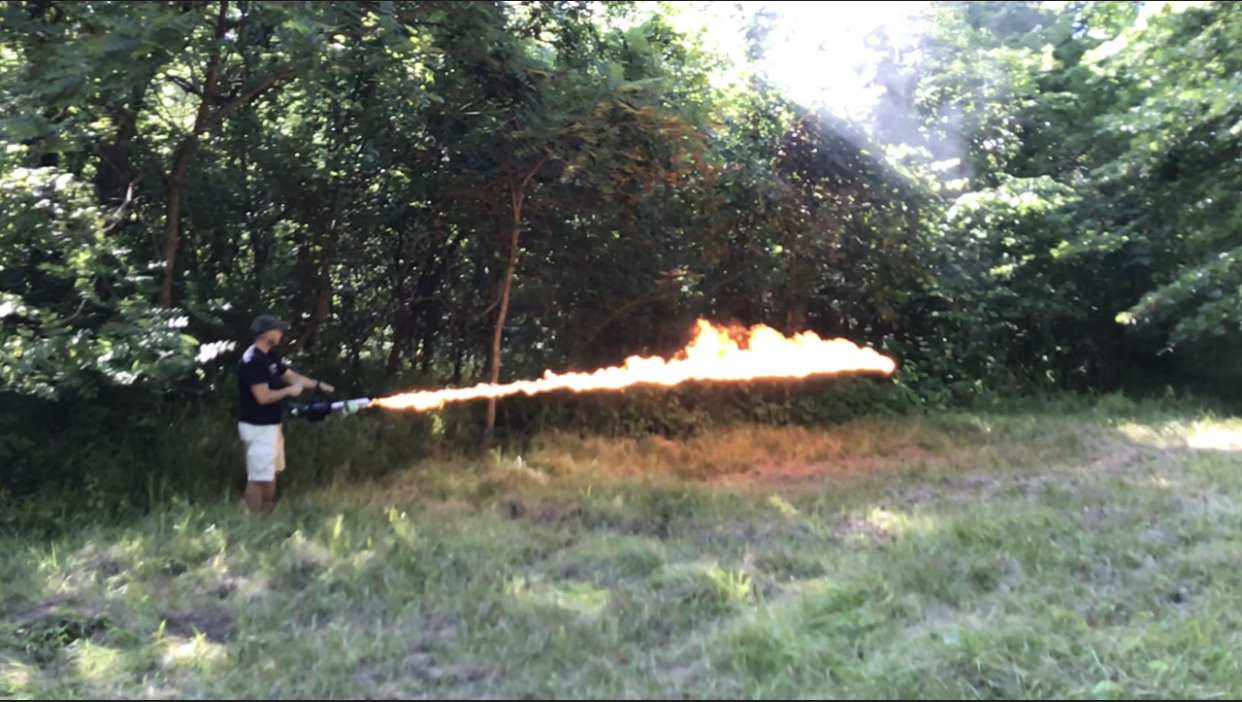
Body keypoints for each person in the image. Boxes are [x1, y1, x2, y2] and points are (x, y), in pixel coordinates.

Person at [236, 314, 335, 514]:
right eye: (277, 329)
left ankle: (267, 516)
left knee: (273, 472)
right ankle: (256, 521)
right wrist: (288, 391)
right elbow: (263, 397)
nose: (281, 333)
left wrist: (317, 385)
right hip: (258, 427)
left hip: (271, 425)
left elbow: (290, 376)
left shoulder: (268, 357)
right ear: (266, 334)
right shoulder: (252, 361)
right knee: (258, 477)